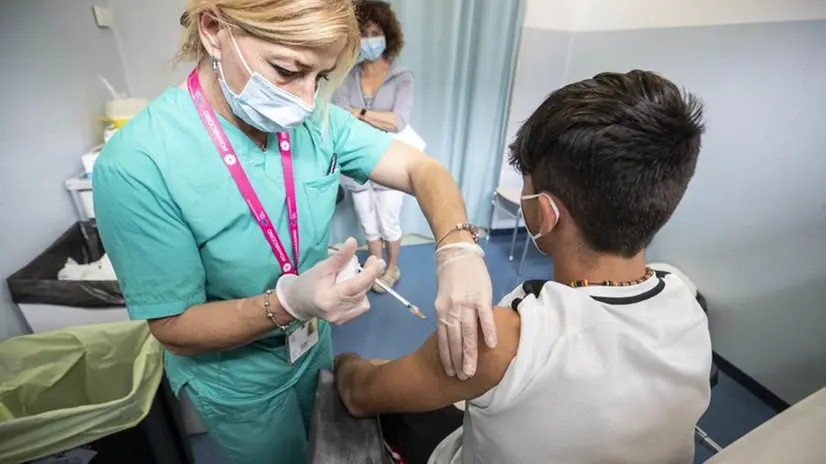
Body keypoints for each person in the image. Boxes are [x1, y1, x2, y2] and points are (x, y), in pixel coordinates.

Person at [91, 1, 496, 463]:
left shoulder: (315, 121)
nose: (306, 100)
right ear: (212, 30)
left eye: (321, 78)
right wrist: (286, 303)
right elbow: (173, 325)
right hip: (240, 382)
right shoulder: (138, 165)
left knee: (324, 441)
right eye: (287, 70)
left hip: (311, 344)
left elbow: (421, 168)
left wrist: (458, 248)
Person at [335, 70, 713, 464]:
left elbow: (358, 392)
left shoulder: (506, 339)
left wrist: (346, 363)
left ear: (545, 212)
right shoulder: (685, 301)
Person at [333, 0, 413, 292]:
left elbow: (399, 121)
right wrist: (371, 117)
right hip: (356, 161)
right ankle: (376, 266)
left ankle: (392, 268)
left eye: (375, 32)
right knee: (368, 221)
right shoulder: (348, 75)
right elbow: (340, 114)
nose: (369, 40)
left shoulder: (401, 77)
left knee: (388, 220)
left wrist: (360, 113)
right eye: (363, 33)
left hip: (390, 160)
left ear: (387, 35)